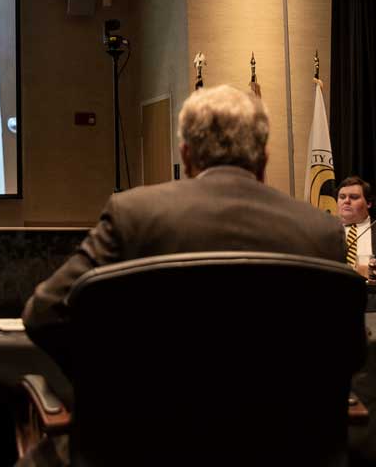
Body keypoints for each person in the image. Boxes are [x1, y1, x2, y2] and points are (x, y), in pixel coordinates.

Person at [23, 85, 345, 371]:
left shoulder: (133, 215)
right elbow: (347, 351)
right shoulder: (323, 231)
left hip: (148, 433)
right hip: (290, 436)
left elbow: (45, 312)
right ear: (264, 159)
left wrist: (111, 378)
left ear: (186, 156)